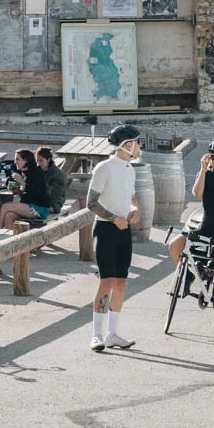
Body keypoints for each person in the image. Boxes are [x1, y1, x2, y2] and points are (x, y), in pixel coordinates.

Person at [85, 123, 143, 352]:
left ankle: (112, 334)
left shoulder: (131, 168)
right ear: (127, 145)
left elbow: (132, 197)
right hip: (106, 229)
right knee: (106, 281)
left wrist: (134, 209)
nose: (140, 146)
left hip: (124, 229)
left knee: (121, 282)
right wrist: (113, 218)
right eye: (137, 142)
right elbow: (91, 202)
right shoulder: (104, 168)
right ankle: (96, 335)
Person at [168, 139, 214, 332]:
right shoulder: (205, 173)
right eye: (213, 157)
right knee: (175, 245)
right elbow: (196, 193)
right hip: (205, 225)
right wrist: (202, 168)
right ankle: (188, 275)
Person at [0, 149, 50, 228]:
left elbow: (36, 195)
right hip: (29, 208)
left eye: (17, 159)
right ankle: (10, 239)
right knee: (9, 216)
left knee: (5, 207)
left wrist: (22, 182)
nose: (15, 162)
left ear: (26, 160)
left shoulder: (37, 173)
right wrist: (19, 191)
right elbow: (27, 195)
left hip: (39, 211)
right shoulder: (24, 173)